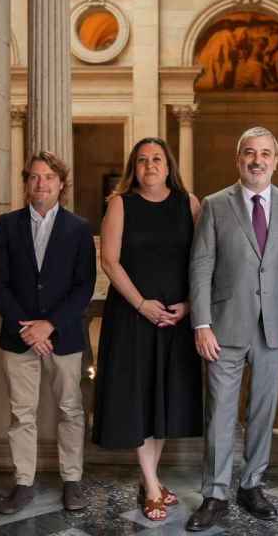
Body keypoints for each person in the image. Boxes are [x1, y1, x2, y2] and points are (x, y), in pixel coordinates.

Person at [185, 126, 278, 532]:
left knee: (263, 412)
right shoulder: (216, 204)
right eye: (250, 154)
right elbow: (201, 266)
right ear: (239, 160)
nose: (257, 160)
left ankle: (252, 485)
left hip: (276, 327)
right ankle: (215, 493)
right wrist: (201, 323)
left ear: (276, 160)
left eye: (265, 154)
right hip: (223, 327)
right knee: (219, 413)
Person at [92, 137, 203, 521]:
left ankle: (150, 477)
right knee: (140, 398)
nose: (150, 166)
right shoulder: (120, 204)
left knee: (165, 400)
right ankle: (152, 485)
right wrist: (141, 304)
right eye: (142, 160)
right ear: (133, 168)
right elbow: (109, 260)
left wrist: (188, 306)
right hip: (133, 317)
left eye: (157, 159)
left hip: (176, 318)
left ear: (169, 165)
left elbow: (202, 262)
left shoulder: (189, 204)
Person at [0, 151, 96, 514]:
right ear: (26, 183)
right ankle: (23, 483)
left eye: (48, 177)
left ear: (61, 183)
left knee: (71, 409)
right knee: (22, 413)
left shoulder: (79, 228)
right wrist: (29, 329)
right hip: (17, 337)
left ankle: (72, 481)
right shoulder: (6, 225)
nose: (41, 184)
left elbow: (84, 286)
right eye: (34, 177)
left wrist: (49, 325)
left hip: (64, 336)